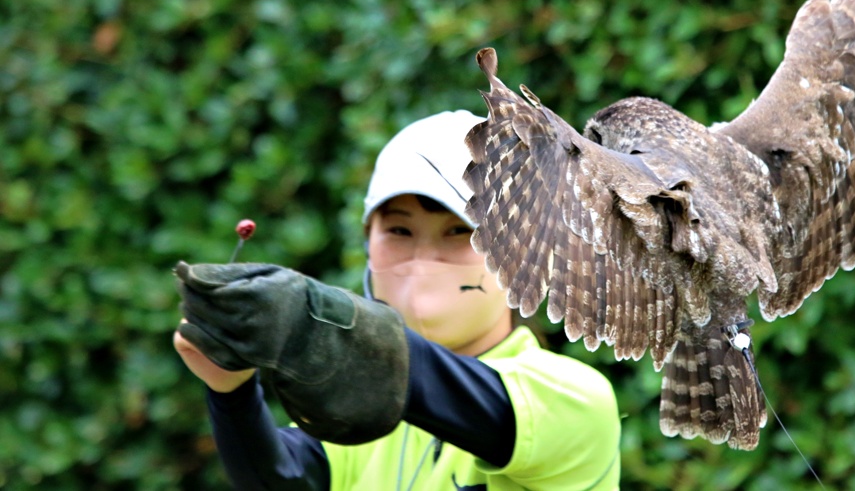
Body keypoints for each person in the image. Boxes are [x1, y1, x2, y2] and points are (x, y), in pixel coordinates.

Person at [173, 110, 622, 490]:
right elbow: (281, 477)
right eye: (400, 231)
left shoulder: (575, 399)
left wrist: (307, 317)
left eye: (460, 232)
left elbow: (449, 393)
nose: (423, 259)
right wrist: (229, 391)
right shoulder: (366, 410)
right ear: (367, 241)